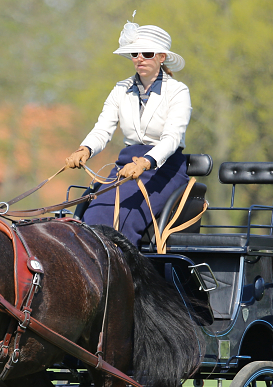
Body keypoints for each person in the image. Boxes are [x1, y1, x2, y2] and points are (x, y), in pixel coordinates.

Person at [65, 19, 191, 245]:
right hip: (125, 167)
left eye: (147, 52)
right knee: (95, 213)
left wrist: (146, 162)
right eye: (135, 53)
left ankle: (124, 275)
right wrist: (85, 148)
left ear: (162, 57)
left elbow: (172, 138)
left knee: (125, 220)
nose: (139, 58)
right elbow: (103, 128)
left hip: (164, 168)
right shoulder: (120, 89)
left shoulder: (178, 91)